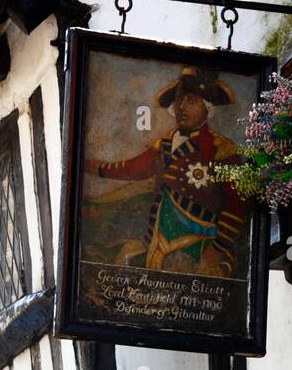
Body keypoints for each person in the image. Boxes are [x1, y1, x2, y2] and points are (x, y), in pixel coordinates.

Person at [85, 67, 247, 278]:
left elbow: (237, 204)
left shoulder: (221, 149)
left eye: (191, 101)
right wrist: (95, 168)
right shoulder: (164, 144)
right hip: (159, 236)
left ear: (208, 108)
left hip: (199, 242)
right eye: (179, 101)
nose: (182, 108)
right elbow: (134, 169)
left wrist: (218, 246)